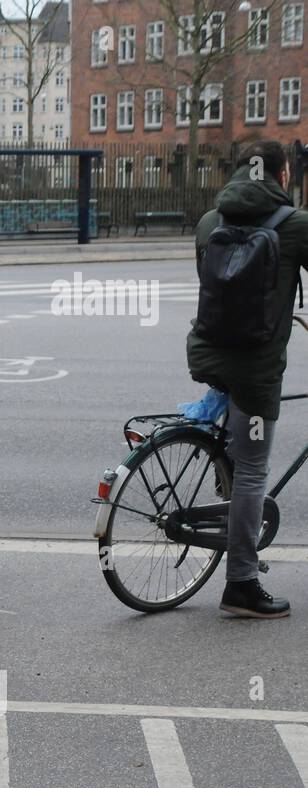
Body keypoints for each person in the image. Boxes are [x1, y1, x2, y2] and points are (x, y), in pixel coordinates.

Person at [188, 139, 308, 619]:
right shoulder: (295, 226)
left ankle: (230, 487)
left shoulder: (207, 222)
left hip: (207, 354)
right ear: (282, 177)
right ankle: (240, 582)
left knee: (240, 457)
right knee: (255, 470)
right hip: (255, 367)